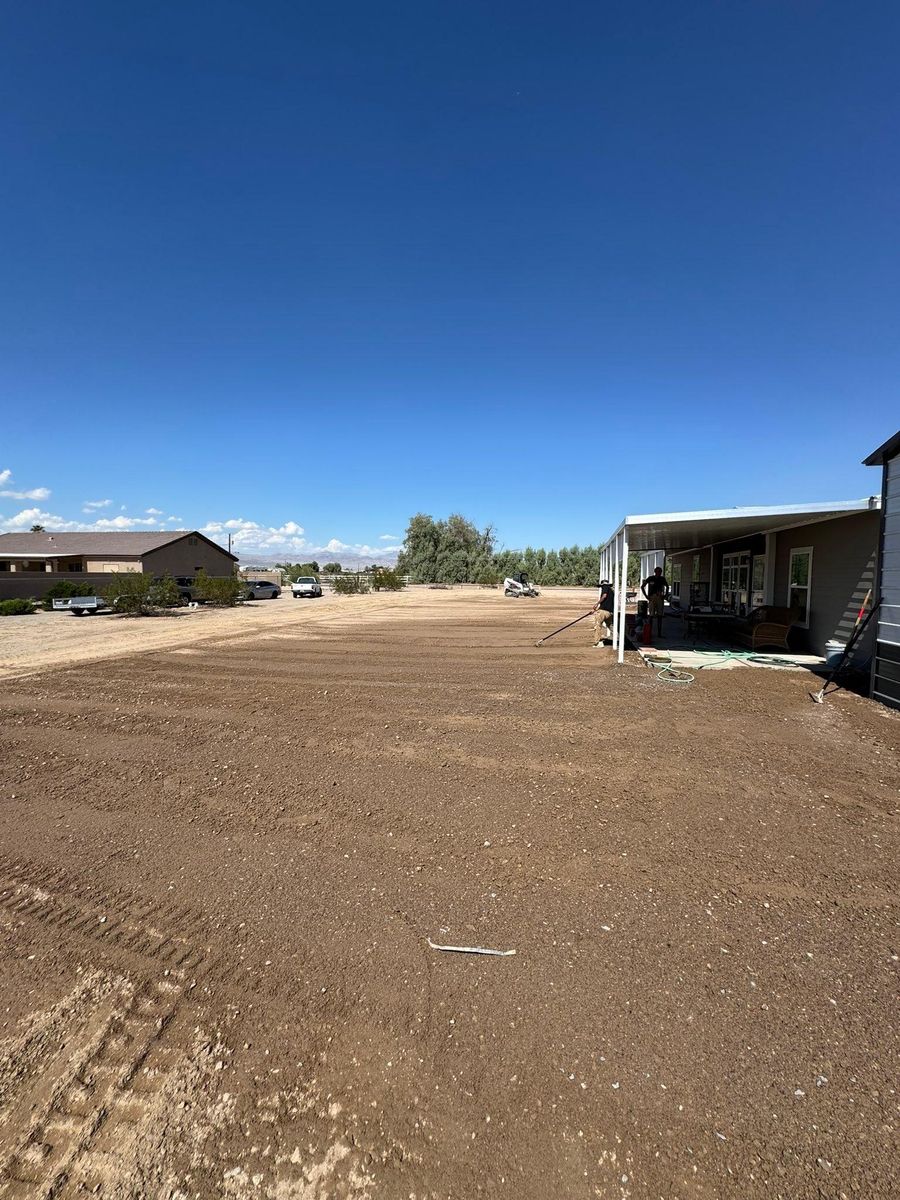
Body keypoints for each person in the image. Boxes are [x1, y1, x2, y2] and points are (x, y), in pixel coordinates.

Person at [641, 565, 670, 636]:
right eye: (657, 572)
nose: (659, 573)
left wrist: (665, 595)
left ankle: (659, 633)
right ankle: (649, 632)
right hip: (652, 597)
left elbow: (667, 586)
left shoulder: (662, 579)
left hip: (660, 597)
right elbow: (642, 586)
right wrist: (646, 596)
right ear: (655, 572)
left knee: (660, 615)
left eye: (660, 572)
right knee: (651, 615)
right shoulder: (650, 578)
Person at [592, 578, 614, 646]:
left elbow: (604, 596)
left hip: (603, 612)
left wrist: (597, 603)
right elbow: (606, 603)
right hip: (609, 612)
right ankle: (619, 639)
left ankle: (597, 642)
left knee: (598, 626)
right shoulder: (611, 591)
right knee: (611, 626)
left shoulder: (605, 587)